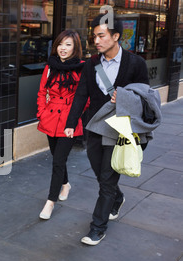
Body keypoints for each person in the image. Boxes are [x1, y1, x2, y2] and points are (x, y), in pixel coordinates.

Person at [64, 14, 150, 245]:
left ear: (116, 36)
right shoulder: (92, 64)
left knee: (107, 178)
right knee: (99, 172)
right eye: (94, 36)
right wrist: (71, 123)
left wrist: (125, 97)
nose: (96, 41)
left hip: (119, 130)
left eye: (101, 35)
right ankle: (118, 197)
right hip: (93, 127)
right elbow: (81, 94)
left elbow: (146, 97)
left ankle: (97, 227)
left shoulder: (135, 64)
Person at [36, 30, 88, 220]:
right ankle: (65, 184)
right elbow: (42, 92)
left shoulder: (82, 68)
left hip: (69, 121)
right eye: (60, 44)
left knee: (58, 161)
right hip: (50, 118)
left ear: (75, 47)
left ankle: (50, 202)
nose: (63, 48)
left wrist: (74, 118)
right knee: (56, 156)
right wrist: (41, 113)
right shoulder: (50, 67)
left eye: (68, 44)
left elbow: (85, 98)